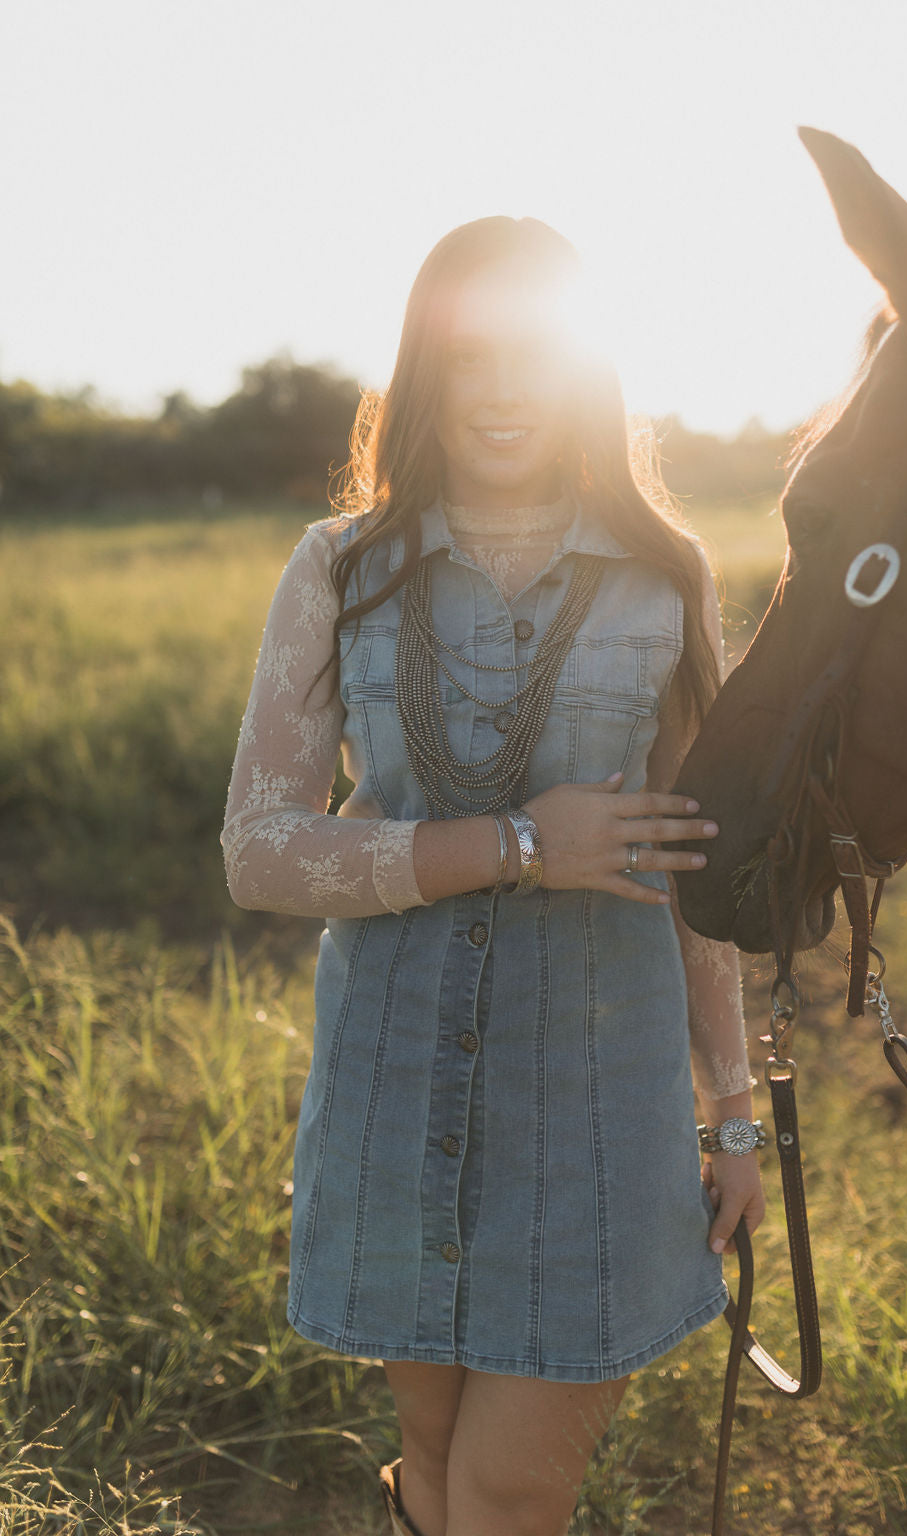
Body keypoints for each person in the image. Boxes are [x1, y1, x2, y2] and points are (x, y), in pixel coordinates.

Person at [221, 216, 765, 1536]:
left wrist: (736, 1105)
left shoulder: (661, 579)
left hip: (592, 1107)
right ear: (429, 374)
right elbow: (258, 852)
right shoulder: (336, 571)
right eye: (473, 358)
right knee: (433, 1449)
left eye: (535, 355)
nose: (506, 388)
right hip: (395, 1089)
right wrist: (523, 845)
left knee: (512, 1488)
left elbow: (698, 872)